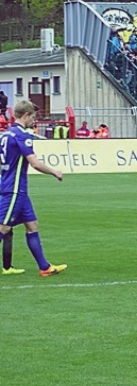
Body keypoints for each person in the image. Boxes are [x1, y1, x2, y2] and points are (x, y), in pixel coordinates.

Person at [0, 100, 66, 276]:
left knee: (32, 225)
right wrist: (54, 171)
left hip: (16, 188)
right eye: (33, 117)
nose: (34, 121)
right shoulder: (22, 135)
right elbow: (35, 163)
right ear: (26, 115)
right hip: (13, 189)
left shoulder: (6, 134)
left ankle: (44, 267)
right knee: (3, 228)